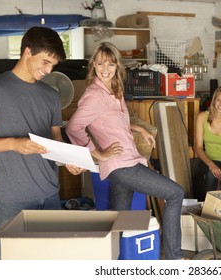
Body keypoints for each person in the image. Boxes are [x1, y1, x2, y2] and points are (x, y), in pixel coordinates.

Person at [65, 42, 186, 260]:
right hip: (122, 165)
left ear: (116, 65)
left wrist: (139, 127)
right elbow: (73, 126)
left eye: (110, 64)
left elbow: (115, 119)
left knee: (120, 218)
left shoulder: (114, 89)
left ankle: (115, 263)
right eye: (100, 63)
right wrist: (97, 153)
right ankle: (175, 258)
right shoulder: (94, 95)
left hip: (128, 160)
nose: (105, 69)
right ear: (93, 64)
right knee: (175, 193)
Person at [0, 26, 84, 260]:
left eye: (53, 65)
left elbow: (55, 141)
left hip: (51, 195)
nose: (48, 70)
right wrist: (14, 144)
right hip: (13, 199)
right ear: (27, 51)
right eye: (45, 62)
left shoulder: (51, 95)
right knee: (6, 268)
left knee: (47, 267)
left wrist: (69, 160)